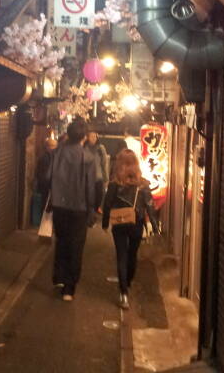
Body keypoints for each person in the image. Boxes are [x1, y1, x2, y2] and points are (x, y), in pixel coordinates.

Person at [102, 149, 158, 310]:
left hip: (119, 223)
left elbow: (107, 204)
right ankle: (128, 281)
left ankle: (123, 293)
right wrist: (154, 227)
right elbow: (150, 206)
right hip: (136, 223)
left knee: (121, 255)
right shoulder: (143, 184)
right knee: (132, 254)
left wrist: (105, 223)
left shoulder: (114, 184)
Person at [49, 118, 98, 301]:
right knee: (75, 245)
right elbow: (90, 187)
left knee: (61, 241)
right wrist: (91, 207)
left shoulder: (58, 153)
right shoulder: (87, 157)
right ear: (83, 137)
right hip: (79, 207)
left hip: (59, 205)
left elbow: (48, 177)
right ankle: (69, 288)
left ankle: (58, 278)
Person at [85, 131, 109, 209]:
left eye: (95, 137)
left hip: (98, 177)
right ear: (87, 137)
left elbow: (104, 163)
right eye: (91, 136)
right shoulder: (84, 147)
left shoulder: (100, 148)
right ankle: (91, 213)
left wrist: (106, 178)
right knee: (88, 197)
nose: (93, 138)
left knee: (99, 195)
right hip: (87, 178)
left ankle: (95, 209)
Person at [35, 137, 57, 213]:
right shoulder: (45, 157)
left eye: (55, 146)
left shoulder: (50, 156)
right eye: (53, 146)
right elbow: (44, 174)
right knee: (44, 205)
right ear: (47, 146)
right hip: (45, 186)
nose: (55, 148)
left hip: (46, 185)